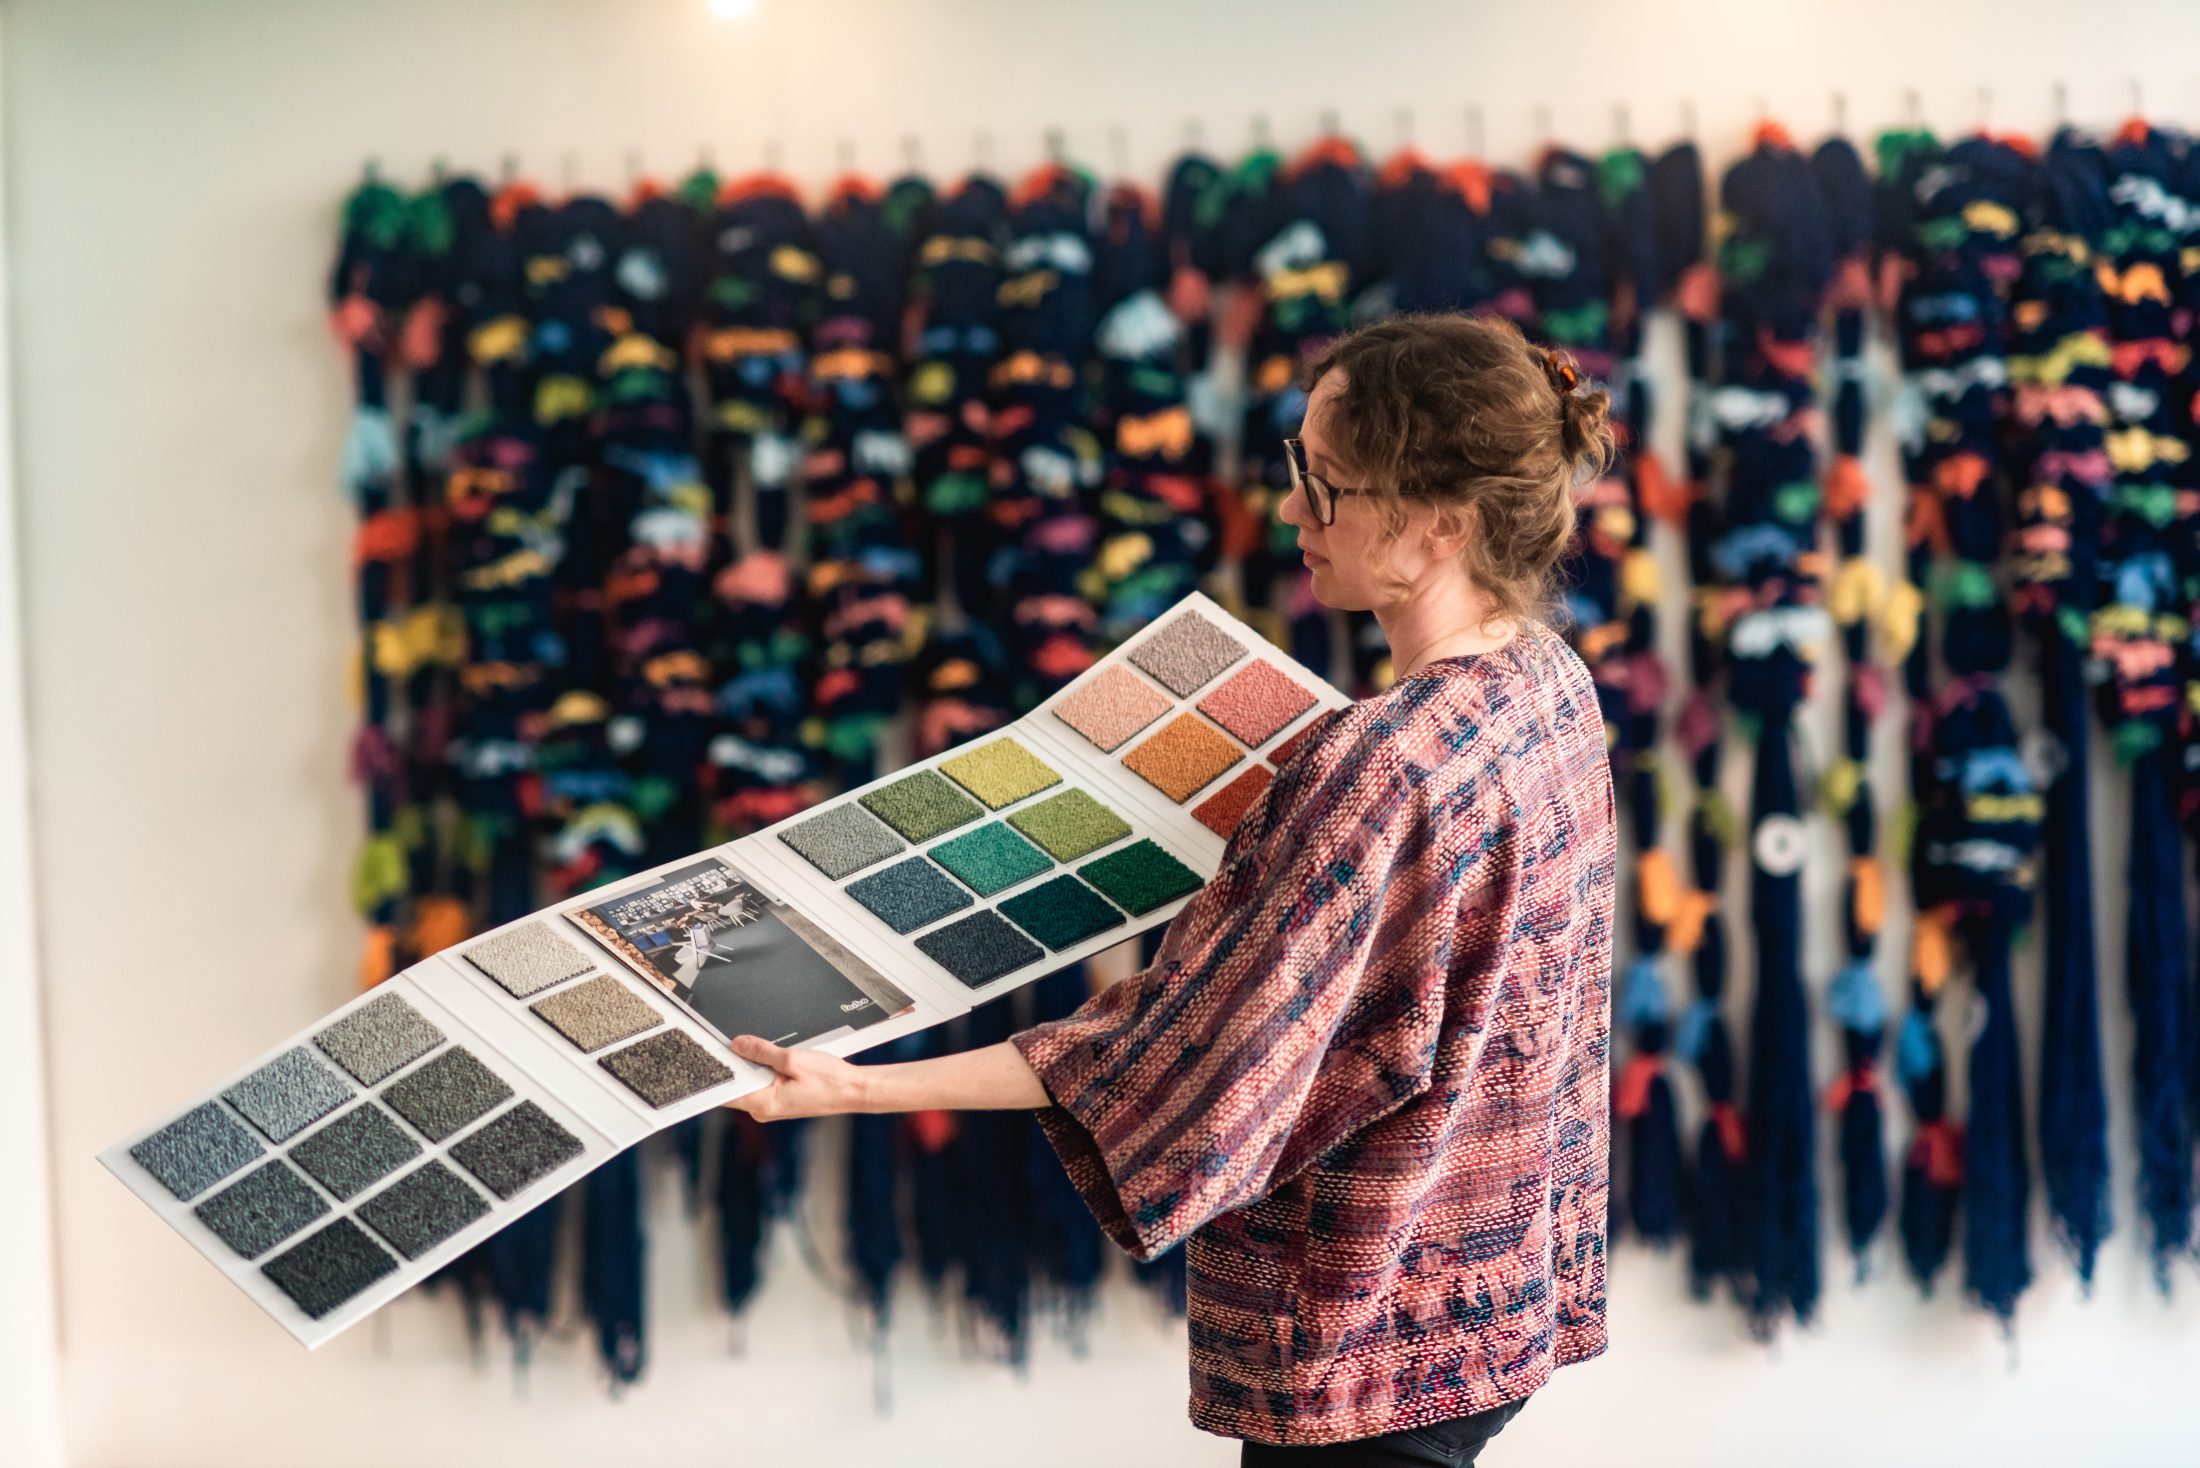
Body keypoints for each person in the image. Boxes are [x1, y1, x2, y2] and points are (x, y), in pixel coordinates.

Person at [728, 313, 1619, 1466]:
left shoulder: (1383, 763)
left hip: (1370, 1342)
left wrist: (848, 1088)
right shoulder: (1550, 683)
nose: (1292, 510)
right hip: (1491, 1306)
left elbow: (1181, 1052)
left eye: (1327, 484)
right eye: (1299, 467)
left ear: (1438, 524)